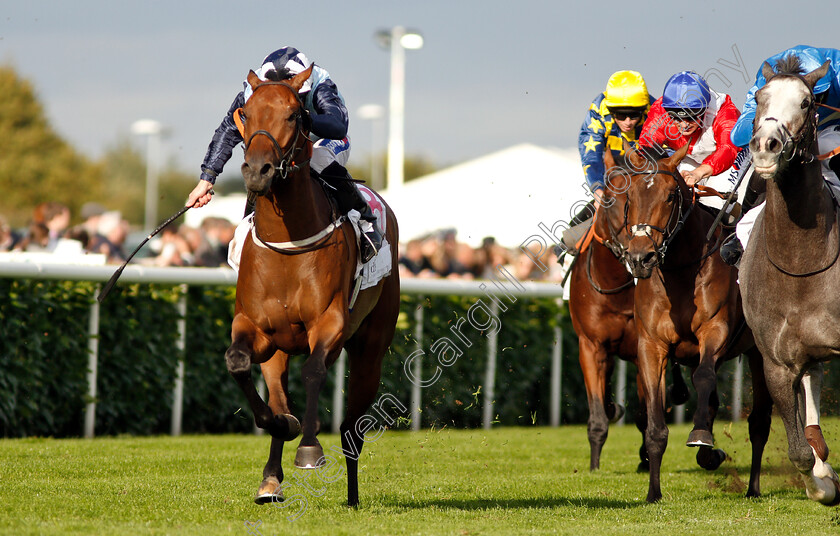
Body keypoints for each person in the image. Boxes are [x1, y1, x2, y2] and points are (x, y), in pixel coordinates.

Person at [185, 47, 382, 263]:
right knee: (260, 164)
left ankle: (365, 218)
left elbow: (338, 126)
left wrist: (302, 118)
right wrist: (207, 178)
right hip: (283, 143)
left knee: (317, 158)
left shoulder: (320, 82)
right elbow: (228, 130)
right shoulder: (252, 90)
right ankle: (248, 227)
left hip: (325, 138)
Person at [722, 45, 840, 265]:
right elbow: (737, 136)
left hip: (832, 126)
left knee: (827, 144)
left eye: (820, 95)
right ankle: (740, 230)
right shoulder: (768, 78)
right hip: (789, 131)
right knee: (760, 157)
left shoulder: (838, 72)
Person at [557, 70, 654, 260]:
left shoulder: (654, 111)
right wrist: (598, 190)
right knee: (567, 239)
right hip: (615, 177)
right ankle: (565, 260)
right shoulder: (598, 111)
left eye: (634, 115)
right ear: (611, 110)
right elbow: (591, 157)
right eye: (620, 115)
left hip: (646, 176)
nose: (627, 122)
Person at [638, 71, 746, 213]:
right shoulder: (661, 109)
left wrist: (698, 173)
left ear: (705, 109)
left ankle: (733, 225)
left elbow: (727, 149)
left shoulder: (725, 111)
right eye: (676, 118)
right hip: (692, 158)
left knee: (713, 204)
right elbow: (647, 146)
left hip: (731, 158)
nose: (684, 125)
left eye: (691, 117)